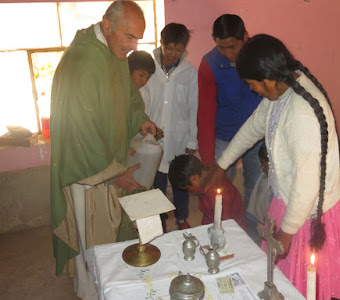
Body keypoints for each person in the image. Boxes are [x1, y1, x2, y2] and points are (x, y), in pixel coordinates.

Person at [210, 34, 340, 299]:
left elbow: (306, 183)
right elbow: (252, 128)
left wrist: (288, 231)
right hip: (291, 200)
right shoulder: (281, 91)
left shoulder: (301, 114)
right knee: (282, 281)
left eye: (252, 84)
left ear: (268, 79)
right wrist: (221, 164)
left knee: (303, 285)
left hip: (311, 210)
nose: (252, 90)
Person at [50, 1, 156, 299]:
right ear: (107, 27)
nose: (134, 46)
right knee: (91, 236)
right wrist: (112, 174)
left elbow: (128, 95)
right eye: (130, 36)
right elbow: (79, 129)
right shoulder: (81, 61)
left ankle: (107, 280)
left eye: (138, 37)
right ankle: (89, 287)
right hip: (87, 170)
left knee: (110, 233)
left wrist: (141, 118)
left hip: (111, 161)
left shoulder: (115, 52)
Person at [197, 14, 263, 233]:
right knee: (218, 193)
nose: (228, 53)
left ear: (245, 37)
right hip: (225, 137)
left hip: (258, 137)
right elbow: (205, 114)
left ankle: (253, 238)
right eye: (221, 47)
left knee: (257, 192)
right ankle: (221, 236)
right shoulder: (210, 65)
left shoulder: (260, 56)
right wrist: (208, 160)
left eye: (232, 46)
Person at [140, 23, 198, 230]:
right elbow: (143, 99)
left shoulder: (189, 73)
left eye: (178, 49)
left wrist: (192, 139)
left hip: (179, 138)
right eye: (169, 47)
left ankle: (181, 217)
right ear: (161, 44)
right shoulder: (150, 68)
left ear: (184, 48)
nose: (173, 53)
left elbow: (194, 106)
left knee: (180, 181)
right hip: (154, 137)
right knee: (158, 182)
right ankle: (161, 221)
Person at [168, 154, 246, 231]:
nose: (189, 192)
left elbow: (225, 223)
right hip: (213, 224)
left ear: (194, 179)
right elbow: (208, 215)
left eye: (188, 189)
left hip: (231, 230)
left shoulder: (213, 192)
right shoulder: (207, 175)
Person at [246, 143, 273, 244]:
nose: (261, 167)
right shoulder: (263, 177)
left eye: (264, 164)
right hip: (254, 218)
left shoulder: (277, 189)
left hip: (267, 224)